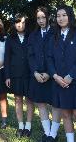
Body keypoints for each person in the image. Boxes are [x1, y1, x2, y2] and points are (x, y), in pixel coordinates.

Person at [47, 5, 76, 142]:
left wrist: (71, 76)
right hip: (59, 81)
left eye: (64, 15)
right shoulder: (54, 36)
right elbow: (49, 58)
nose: (61, 18)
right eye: (58, 16)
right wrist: (55, 76)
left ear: (70, 16)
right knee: (65, 114)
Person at [27, 7, 61, 142]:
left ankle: (53, 134)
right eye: (38, 18)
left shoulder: (55, 33)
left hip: (52, 75)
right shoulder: (33, 35)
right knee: (40, 103)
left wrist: (49, 72)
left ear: (48, 17)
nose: (41, 21)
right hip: (37, 75)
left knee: (55, 104)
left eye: (43, 17)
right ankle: (47, 133)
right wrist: (35, 72)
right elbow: (30, 56)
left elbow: (58, 56)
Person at [4, 13, 34, 138]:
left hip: (29, 73)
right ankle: (21, 125)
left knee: (29, 100)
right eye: (17, 22)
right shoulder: (10, 38)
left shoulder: (31, 36)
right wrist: (7, 76)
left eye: (22, 22)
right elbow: (7, 58)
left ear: (26, 23)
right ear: (14, 24)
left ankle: (28, 126)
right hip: (15, 74)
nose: (20, 25)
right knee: (17, 99)